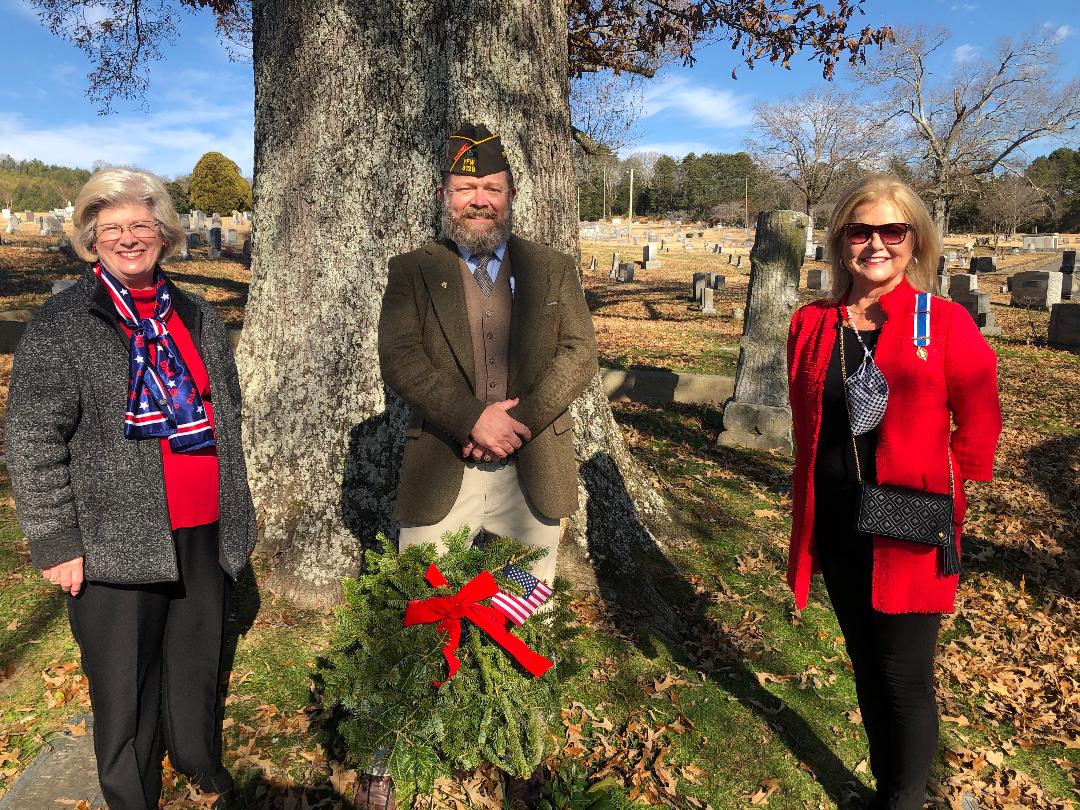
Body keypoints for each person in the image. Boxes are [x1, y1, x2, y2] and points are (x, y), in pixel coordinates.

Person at [5, 168, 256, 810]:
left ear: (163, 232)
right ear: (92, 237)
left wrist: (236, 514)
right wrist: (57, 540)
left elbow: (223, 414)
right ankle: (132, 792)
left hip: (201, 522)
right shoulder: (64, 322)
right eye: (112, 227)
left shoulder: (195, 314)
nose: (128, 237)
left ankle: (195, 757)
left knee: (194, 659)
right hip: (114, 534)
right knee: (124, 683)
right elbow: (32, 438)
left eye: (140, 224)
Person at [372, 123, 598, 809]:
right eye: (466, 187)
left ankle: (516, 744)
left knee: (521, 610)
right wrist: (474, 418)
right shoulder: (413, 269)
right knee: (423, 609)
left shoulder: (552, 267)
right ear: (445, 194)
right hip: (444, 464)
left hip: (532, 465)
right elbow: (400, 359)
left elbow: (578, 355)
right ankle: (397, 748)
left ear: (511, 194)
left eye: (491, 187)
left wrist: (517, 420)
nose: (479, 199)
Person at [786, 173, 1002, 809]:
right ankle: (892, 787)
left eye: (891, 231)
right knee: (865, 667)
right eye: (861, 230)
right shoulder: (813, 323)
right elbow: (809, 424)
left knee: (904, 675)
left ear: (915, 240)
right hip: (838, 519)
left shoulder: (945, 322)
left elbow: (981, 416)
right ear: (840, 240)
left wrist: (949, 491)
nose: (875, 244)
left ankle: (907, 799)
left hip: (911, 522)